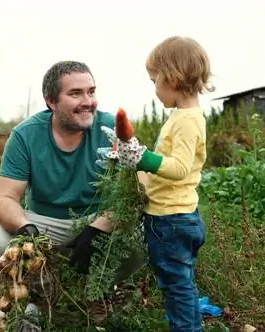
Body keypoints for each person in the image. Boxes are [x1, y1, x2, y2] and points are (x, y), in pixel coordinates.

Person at [0, 60, 144, 330]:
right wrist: (26, 229)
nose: (87, 101)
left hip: (98, 218)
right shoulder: (25, 135)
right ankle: (40, 294)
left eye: (91, 91)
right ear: (51, 102)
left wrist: (100, 227)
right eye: (75, 94)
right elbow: (4, 198)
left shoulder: (111, 128)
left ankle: (97, 289)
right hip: (45, 221)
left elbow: (138, 188)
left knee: (141, 242)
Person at [100, 36, 213, 331]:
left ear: (171, 76)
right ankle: (187, 313)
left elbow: (178, 168)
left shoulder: (187, 120)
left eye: (154, 80)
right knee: (180, 278)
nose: (154, 88)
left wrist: (141, 157)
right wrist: (134, 159)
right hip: (179, 216)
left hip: (170, 220)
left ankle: (187, 325)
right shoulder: (183, 117)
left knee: (175, 283)